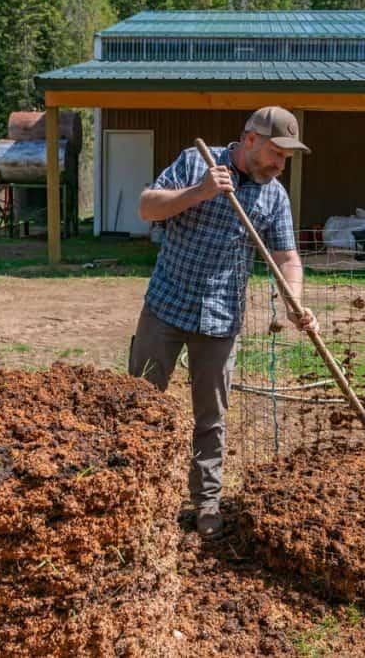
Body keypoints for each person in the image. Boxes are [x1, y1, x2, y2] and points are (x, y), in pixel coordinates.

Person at [128, 106, 318, 539]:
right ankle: (135, 492)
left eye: (286, 158)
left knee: (210, 418)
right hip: (165, 307)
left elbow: (288, 258)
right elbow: (146, 207)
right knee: (140, 402)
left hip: (220, 320)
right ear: (249, 139)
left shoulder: (273, 195)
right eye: (275, 153)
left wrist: (293, 302)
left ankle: (206, 504)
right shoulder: (198, 162)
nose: (279, 165)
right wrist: (199, 192)